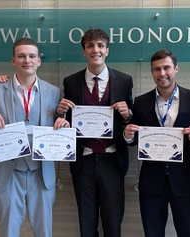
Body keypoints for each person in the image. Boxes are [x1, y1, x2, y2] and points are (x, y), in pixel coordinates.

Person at [0, 37, 69, 237]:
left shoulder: (54, 92)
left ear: (39, 60)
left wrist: (63, 125)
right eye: (21, 56)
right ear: (13, 60)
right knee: (9, 231)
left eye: (31, 56)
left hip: (41, 172)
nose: (26, 60)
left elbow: (59, 126)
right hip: (8, 172)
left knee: (44, 231)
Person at [55, 28, 133, 237]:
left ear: (107, 50)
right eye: (90, 46)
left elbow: (131, 121)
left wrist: (127, 115)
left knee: (113, 223)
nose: (95, 50)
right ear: (84, 51)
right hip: (84, 160)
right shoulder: (71, 82)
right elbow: (66, 120)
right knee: (86, 224)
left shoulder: (124, 81)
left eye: (100, 45)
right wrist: (60, 113)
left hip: (113, 160)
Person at [123, 49, 190, 237]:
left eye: (166, 68)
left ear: (176, 68)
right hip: (152, 182)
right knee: (152, 233)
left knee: (189, 232)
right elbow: (136, 140)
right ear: (152, 72)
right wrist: (128, 136)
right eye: (156, 69)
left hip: (185, 181)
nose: (162, 73)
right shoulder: (141, 102)